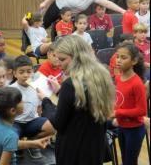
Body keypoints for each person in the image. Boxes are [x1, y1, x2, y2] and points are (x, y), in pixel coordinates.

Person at [37, 35, 115, 165]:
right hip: (95, 145)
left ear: (77, 57)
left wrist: (46, 101)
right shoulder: (101, 76)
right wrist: (60, 91)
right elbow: (81, 104)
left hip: (74, 148)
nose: (58, 63)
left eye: (62, 59)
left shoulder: (70, 84)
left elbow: (58, 123)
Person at [0, 87, 50, 165]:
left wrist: (34, 143)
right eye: (21, 101)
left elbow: (7, 144)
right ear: (13, 111)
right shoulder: (11, 135)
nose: (24, 101)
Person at [10, 55, 55, 159]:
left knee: (52, 126)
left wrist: (42, 120)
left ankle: (32, 143)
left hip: (31, 122)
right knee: (10, 138)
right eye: (21, 72)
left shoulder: (38, 87)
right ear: (14, 73)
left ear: (33, 72)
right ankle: (19, 146)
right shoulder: (10, 90)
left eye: (29, 71)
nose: (26, 75)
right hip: (15, 123)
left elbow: (40, 109)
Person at [114, 41, 147, 165]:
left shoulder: (136, 83)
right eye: (117, 56)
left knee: (130, 162)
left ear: (133, 61)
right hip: (122, 126)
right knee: (125, 159)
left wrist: (117, 112)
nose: (118, 60)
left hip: (134, 129)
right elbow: (120, 100)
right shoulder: (118, 78)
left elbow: (141, 111)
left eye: (123, 57)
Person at [40, 0, 125, 29]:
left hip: (70, 15)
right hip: (57, 7)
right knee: (44, 24)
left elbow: (107, 3)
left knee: (64, 30)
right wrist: (45, 3)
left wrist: (122, 11)